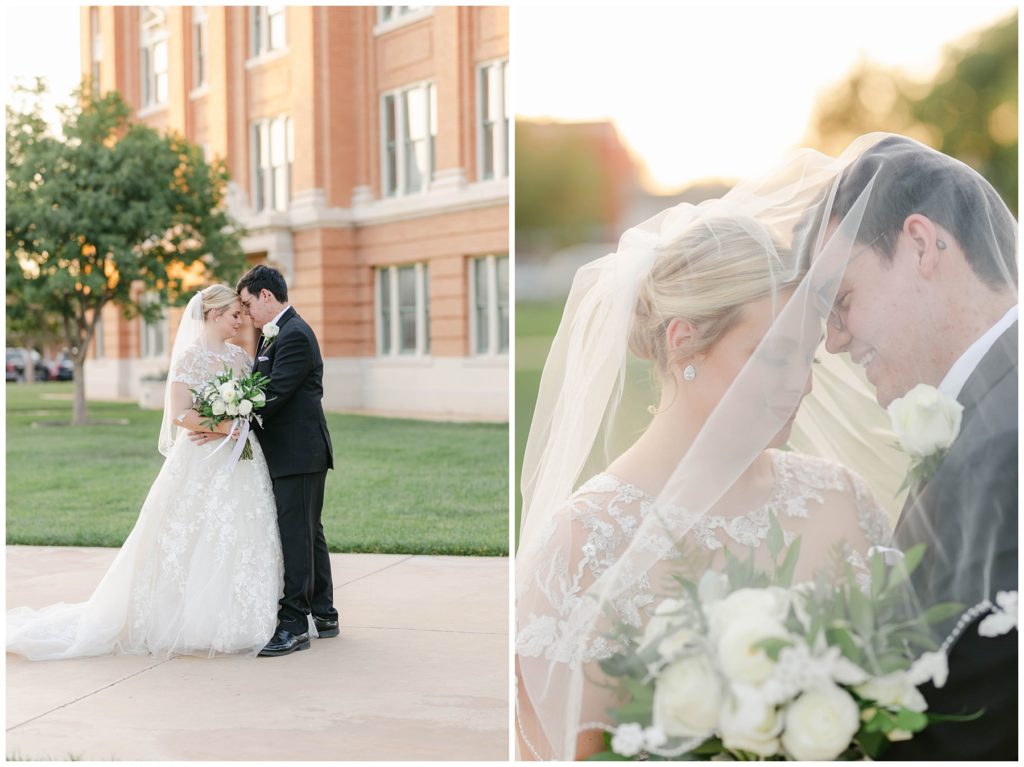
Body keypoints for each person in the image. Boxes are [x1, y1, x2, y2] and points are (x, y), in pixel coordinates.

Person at [515, 199, 895, 760]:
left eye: (808, 357)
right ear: (683, 341)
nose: (802, 385)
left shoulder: (843, 500)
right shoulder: (584, 543)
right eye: (772, 354)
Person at [820, 135, 1017, 760]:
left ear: (921, 244)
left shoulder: (1005, 445)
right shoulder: (988, 409)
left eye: (842, 300)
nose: (833, 340)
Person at [7, 285, 283, 660]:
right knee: (190, 534)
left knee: (241, 532)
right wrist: (226, 427)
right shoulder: (189, 358)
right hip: (201, 459)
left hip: (241, 462)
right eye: (235, 314)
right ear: (215, 314)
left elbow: (252, 405)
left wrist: (238, 422)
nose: (241, 320)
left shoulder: (240, 356)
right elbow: (180, 414)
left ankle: (246, 617)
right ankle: (185, 619)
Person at [229, 265, 337, 657]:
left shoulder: (293, 335)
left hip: (299, 452)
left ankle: (293, 624)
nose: (246, 313)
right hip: (293, 452)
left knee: (297, 536)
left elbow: (272, 396)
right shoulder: (276, 334)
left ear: (266, 296)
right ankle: (324, 612)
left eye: (247, 303)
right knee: (310, 532)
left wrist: (229, 418)